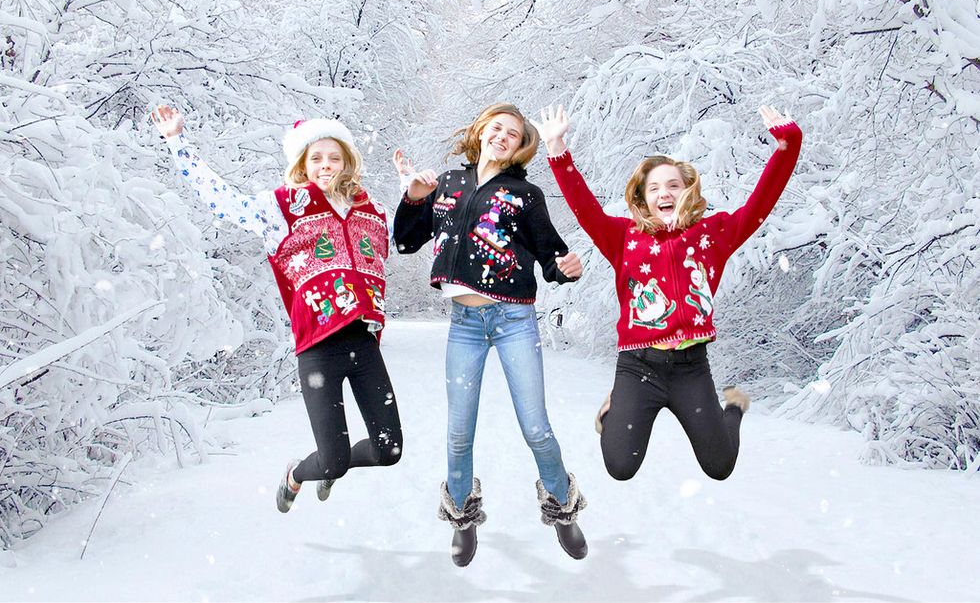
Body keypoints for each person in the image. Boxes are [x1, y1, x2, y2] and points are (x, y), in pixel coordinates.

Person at [150, 105, 402, 514]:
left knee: (388, 450)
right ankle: (298, 475)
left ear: (347, 163)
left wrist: (413, 188)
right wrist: (178, 142)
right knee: (332, 461)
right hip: (318, 348)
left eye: (334, 157)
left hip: (364, 344)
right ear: (303, 164)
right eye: (316, 158)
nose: (326, 165)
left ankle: (330, 468)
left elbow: (407, 232)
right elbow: (223, 201)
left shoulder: (369, 211)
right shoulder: (282, 208)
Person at [533, 104, 801, 483]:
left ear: (687, 190)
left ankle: (733, 408)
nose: (665, 193)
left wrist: (789, 142)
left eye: (673, 185)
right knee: (620, 467)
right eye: (654, 187)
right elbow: (584, 209)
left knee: (720, 467)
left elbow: (762, 201)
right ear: (642, 198)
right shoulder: (623, 237)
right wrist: (557, 150)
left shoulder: (713, 233)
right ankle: (612, 412)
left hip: (691, 367)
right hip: (638, 366)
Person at [392, 103, 588, 566]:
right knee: (459, 432)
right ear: (481, 131)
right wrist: (414, 198)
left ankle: (562, 506)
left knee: (536, 427)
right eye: (496, 128)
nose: (502, 136)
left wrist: (566, 268)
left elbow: (550, 254)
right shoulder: (448, 183)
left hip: (514, 319)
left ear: (520, 146)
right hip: (464, 324)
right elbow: (405, 241)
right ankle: (462, 516)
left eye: (513, 133)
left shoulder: (526, 194)